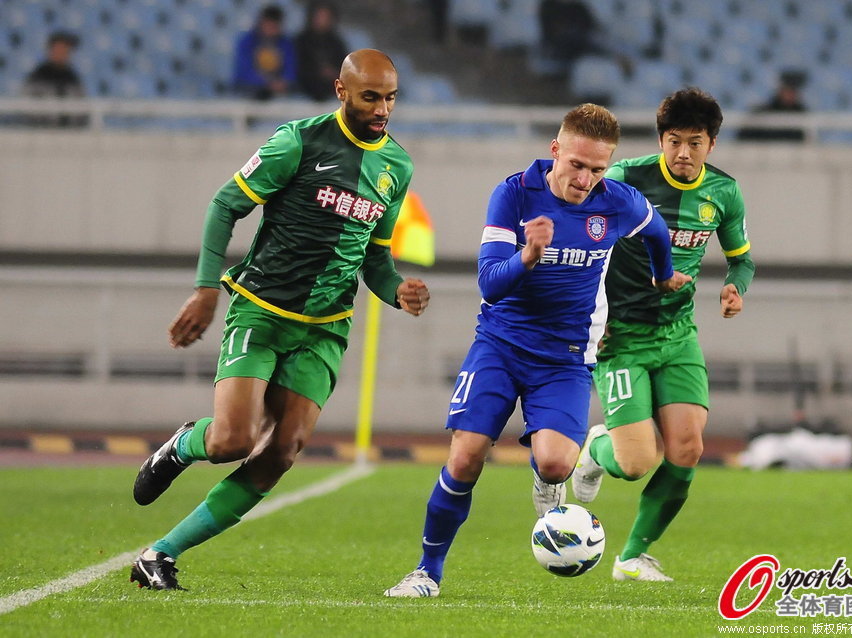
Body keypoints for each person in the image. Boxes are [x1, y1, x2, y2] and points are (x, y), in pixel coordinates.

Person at [130, 49, 430, 591]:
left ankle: (161, 554)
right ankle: (183, 444)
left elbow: (375, 259)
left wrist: (398, 291)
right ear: (342, 92)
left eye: (390, 97)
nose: (383, 107)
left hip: (326, 328)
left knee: (280, 453)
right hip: (262, 311)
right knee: (232, 442)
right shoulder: (298, 141)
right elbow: (226, 204)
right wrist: (204, 290)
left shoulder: (398, 166)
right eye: (371, 96)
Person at [384, 103, 692, 598]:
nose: (586, 179)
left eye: (597, 169)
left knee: (553, 464)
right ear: (555, 152)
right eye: (577, 165)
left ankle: (553, 477)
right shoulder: (513, 194)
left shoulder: (618, 202)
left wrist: (661, 274)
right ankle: (427, 571)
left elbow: (656, 231)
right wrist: (527, 256)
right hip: (501, 344)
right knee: (464, 459)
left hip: (566, 357)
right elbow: (489, 282)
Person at [572, 87, 756, 582]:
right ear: (660, 139)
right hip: (621, 339)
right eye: (674, 141)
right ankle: (595, 450)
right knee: (634, 463)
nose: (683, 153)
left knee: (688, 449)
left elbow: (742, 261)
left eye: (694, 143)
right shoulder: (623, 179)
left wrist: (735, 288)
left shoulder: (724, 193)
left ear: (711, 144)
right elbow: (580, 242)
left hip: (678, 336)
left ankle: (631, 556)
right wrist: (587, 315)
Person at [21, 30, 86, 127]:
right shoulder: (38, 75)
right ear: (51, 49)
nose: (62, 52)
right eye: (59, 48)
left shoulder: (72, 77)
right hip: (41, 132)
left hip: (69, 134)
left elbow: (81, 106)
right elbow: (26, 104)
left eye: (66, 49)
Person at [233, 4, 297, 100]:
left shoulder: (286, 44)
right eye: (268, 25)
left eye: (274, 26)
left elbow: (290, 70)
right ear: (261, 23)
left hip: (278, 91)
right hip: (250, 89)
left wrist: (283, 82)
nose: (270, 29)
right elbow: (244, 71)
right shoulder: (247, 42)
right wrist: (267, 82)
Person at [295, 1, 348, 102]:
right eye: (319, 16)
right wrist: (317, 72)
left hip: (332, 94)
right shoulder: (301, 41)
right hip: (303, 93)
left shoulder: (336, 42)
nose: (322, 21)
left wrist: (333, 73)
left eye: (326, 17)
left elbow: (345, 67)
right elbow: (298, 67)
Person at [737, 70, 807, 142]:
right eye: (787, 90)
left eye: (793, 91)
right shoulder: (763, 113)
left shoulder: (801, 114)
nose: (790, 95)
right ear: (780, 90)